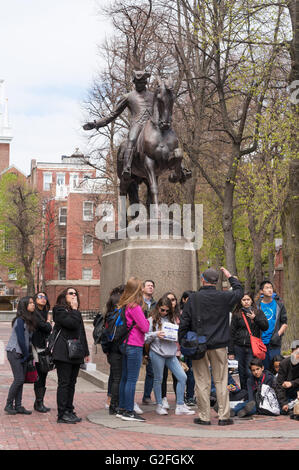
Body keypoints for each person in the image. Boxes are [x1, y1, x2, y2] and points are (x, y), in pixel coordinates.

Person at [179, 267, 244, 426]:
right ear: (216, 282)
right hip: (220, 344)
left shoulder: (193, 299)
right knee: (221, 380)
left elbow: (184, 323)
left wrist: (182, 342)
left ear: (203, 279)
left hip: (199, 344)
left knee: (202, 381)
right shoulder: (224, 297)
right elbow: (239, 292)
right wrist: (231, 277)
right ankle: (223, 416)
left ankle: (204, 416)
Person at [83, 70, 153, 179]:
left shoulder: (153, 96)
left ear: (145, 82)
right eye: (137, 82)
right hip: (138, 124)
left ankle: (179, 167)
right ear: (134, 82)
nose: (140, 84)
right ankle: (127, 167)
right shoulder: (128, 97)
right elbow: (113, 114)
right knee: (132, 139)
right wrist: (96, 124)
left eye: (142, 82)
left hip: (152, 126)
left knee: (167, 137)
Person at [145, 296, 195, 416]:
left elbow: (180, 335)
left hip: (171, 353)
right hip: (157, 352)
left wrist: (176, 336)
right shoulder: (151, 320)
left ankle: (180, 404)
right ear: (158, 308)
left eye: (167, 310)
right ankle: (159, 405)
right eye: (162, 310)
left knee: (182, 377)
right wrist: (156, 334)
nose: (164, 313)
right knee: (158, 379)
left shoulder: (172, 319)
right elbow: (144, 337)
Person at [52, 287, 90, 424]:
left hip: (75, 352)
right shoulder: (59, 310)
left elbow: (81, 332)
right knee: (64, 383)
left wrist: (86, 352)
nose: (74, 295)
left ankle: (69, 409)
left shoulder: (76, 312)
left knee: (72, 383)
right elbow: (71, 324)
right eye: (71, 293)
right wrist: (74, 310)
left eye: (75, 294)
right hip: (63, 353)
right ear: (64, 296)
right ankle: (62, 414)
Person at [117, 277, 149, 422]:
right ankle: (129, 411)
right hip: (134, 344)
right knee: (131, 379)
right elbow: (145, 327)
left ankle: (122, 407)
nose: (143, 289)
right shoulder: (134, 306)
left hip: (124, 343)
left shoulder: (124, 304)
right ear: (137, 289)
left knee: (125, 377)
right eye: (141, 287)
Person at [228, 292, 268, 390]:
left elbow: (265, 327)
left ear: (251, 301)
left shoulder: (258, 312)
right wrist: (231, 351)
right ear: (240, 302)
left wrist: (255, 318)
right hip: (239, 346)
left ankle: (252, 392)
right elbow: (231, 333)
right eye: (244, 300)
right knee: (241, 372)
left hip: (252, 347)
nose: (246, 302)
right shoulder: (237, 314)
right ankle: (244, 393)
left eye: (248, 299)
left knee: (249, 370)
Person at [5, 296, 37, 415]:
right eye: (30, 303)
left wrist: (28, 354)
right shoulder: (19, 320)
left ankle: (18, 406)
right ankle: (8, 404)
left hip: (23, 353)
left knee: (21, 380)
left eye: (33, 303)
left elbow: (29, 340)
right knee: (18, 379)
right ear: (24, 306)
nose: (33, 305)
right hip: (14, 352)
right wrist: (26, 354)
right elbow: (20, 339)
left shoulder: (29, 320)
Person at [257, 280, 288, 370]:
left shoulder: (279, 305)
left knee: (276, 368)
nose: (270, 290)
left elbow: (284, 323)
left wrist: (277, 335)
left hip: (275, 342)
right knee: (264, 368)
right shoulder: (257, 305)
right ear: (261, 291)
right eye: (267, 288)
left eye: (271, 288)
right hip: (261, 343)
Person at [31, 291, 52, 413]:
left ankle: (39, 401)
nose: (43, 298)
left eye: (45, 296)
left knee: (44, 373)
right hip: (36, 347)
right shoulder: (34, 313)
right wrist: (49, 322)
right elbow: (46, 327)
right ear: (35, 299)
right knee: (40, 374)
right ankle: (39, 402)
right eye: (40, 296)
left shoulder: (44, 313)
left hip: (44, 347)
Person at [142, 279, 157, 405]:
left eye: (152, 286)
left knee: (151, 370)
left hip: (150, 339)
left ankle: (147, 396)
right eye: (148, 286)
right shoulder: (138, 303)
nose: (151, 287)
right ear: (142, 288)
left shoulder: (156, 304)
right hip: (138, 337)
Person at [275, 340, 299, 417]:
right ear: (292, 352)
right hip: (287, 394)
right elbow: (279, 385)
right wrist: (283, 403)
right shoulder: (284, 364)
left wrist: (292, 383)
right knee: (283, 408)